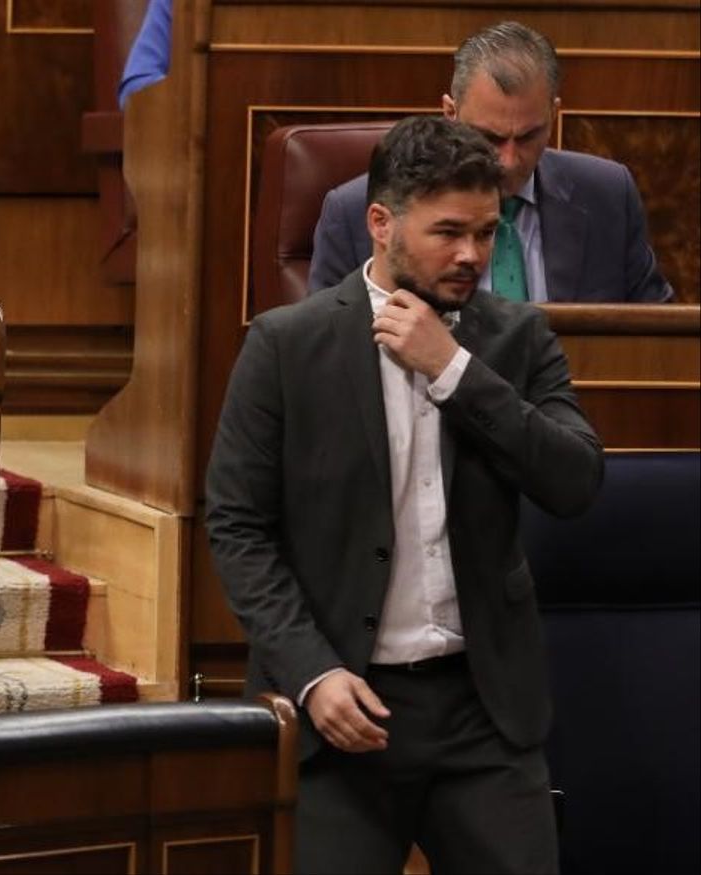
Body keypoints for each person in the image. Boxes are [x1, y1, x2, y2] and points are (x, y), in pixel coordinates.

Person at [207, 115, 604, 873]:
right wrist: (313, 673)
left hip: (482, 711)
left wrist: (454, 369)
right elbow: (237, 527)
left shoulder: (516, 339)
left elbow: (574, 480)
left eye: (487, 233)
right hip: (343, 708)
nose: (470, 255)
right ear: (381, 223)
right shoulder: (285, 347)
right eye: (447, 231)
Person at [308, 21, 674, 303]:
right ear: (450, 113)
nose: (509, 161)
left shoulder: (607, 195)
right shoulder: (357, 210)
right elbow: (321, 349)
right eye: (490, 138)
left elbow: (655, 341)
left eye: (529, 136)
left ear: (555, 115)